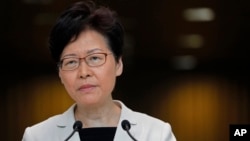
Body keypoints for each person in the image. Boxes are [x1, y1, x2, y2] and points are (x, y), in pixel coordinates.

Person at [22, 0, 176, 141]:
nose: (84, 72)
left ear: (118, 64)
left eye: (94, 58)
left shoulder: (156, 134)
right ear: (60, 74)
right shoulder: (38, 136)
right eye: (71, 61)